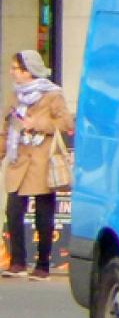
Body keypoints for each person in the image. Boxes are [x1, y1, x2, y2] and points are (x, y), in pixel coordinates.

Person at [5, 50, 71, 279]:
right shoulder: (15, 96)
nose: (12, 72)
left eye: (16, 68)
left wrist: (38, 123)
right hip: (19, 159)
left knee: (43, 215)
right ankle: (18, 262)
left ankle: (42, 265)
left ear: (27, 71)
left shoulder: (52, 94)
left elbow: (66, 121)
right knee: (13, 210)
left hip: (43, 161)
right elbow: (8, 123)